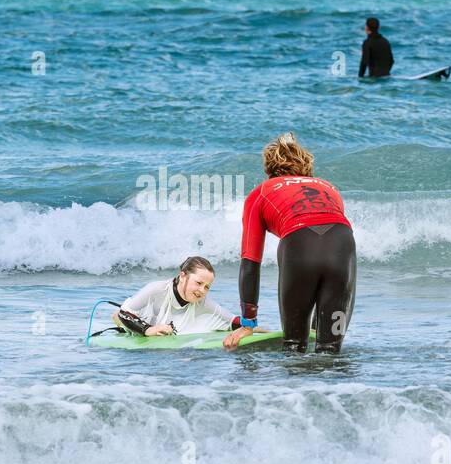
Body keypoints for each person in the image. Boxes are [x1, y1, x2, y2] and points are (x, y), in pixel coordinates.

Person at [223, 133, 356, 354]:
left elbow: (250, 262)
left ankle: (293, 388)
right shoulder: (328, 187)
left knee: (294, 349)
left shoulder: (261, 192)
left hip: (299, 246)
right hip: (343, 245)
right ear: (306, 165)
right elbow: (328, 226)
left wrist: (248, 324)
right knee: (330, 351)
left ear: (269, 169)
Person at [114, 256, 243, 337]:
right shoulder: (157, 289)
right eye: (198, 283)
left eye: (207, 287)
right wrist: (147, 330)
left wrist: (251, 325)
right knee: (118, 316)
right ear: (182, 276)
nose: (202, 290)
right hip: (134, 320)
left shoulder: (202, 302)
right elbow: (123, 313)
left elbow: (232, 321)